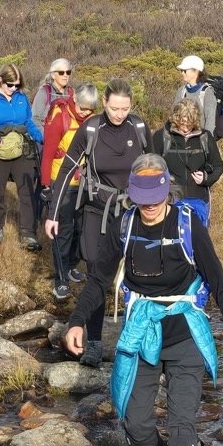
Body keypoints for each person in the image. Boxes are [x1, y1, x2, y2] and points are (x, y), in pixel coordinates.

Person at [63, 154, 223, 446]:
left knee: (182, 423)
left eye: (154, 196)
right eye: (141, 197)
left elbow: (218, 279)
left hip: (184, 336)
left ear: (166, 190)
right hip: (141, 334)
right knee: (133, 416)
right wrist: (78, 319)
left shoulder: (188, 225)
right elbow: (98, 279)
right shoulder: (125, 224)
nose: (148, 205)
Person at [44, 78, 149, 366]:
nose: (119, 114)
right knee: (96, 277)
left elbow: (154, 169)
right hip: (96, 212)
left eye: (125, 108)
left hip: (132, 212)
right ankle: (93, 343)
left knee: (137, 277)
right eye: (115, 108)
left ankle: (136, 341)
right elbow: (66, 170)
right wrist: (53, 214)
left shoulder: (138, 128)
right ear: (104, 103)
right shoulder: (91, 129)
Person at [0, 64, 43, 250]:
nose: (14, 89)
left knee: (27, 192)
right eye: (10, 85)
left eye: (17, 86)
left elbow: (28, 122)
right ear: (0, 81)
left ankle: (28, 234)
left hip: (21, 149)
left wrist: (41, 138)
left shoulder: (21, 98)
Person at [41, 81, 99, 300]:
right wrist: (46, 185)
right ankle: (61, 279)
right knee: (63, 232)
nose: (85, 113)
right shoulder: (60, 117)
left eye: (90, 110)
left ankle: (73, 265)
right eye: (82, 108)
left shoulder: (93, 121)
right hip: (62, 181)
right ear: (75, 100)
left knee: (80, 229)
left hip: (85, 184)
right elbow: (48, 153)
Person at [152, 97, 223, 226]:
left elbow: (218, 165)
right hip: (169, 201)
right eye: (182, 124)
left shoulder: (205, 137)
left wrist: (206, 178)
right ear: (175, 119)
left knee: (198, 242)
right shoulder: (161, 137)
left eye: (189, 125)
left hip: (199, 201)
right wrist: (162, 180)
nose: (185, 129)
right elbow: (150, 167)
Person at [173, 54, 219, 136]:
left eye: (185, 70)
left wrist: (207, 141)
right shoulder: (181, 91)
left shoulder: (207, 93)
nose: (182, 73)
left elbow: (210, 122)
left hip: (200, 140)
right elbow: (174, 116)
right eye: (181, 71)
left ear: (196, 71)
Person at [32, 58, 75, 129]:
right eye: (61, 72)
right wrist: (46, 138)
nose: (65, 75)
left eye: (68, 72)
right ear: (53, 75)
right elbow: (35, 119)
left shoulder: (72, 93)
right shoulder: (44, 92)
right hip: (47, 136)